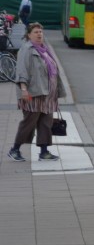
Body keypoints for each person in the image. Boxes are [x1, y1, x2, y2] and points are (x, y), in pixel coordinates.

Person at [8, 22, 65, 162]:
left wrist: (57, 91)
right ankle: (14, 149)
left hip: (48, 94)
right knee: (29, 123)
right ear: (29, 35)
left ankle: (44, 152)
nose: (39, 34)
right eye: (36, 32)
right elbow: (21, 71)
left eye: (40, 32)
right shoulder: (26, 49)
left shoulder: (44, 49)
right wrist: (24, 89)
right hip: (33, 93)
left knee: (46, 123)